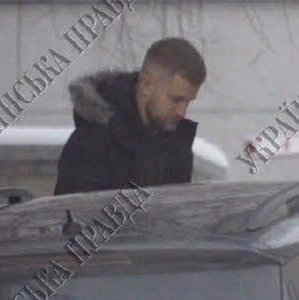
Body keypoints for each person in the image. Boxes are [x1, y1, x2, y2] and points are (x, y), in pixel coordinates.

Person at [54, 37, 206, 195]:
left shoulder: (176, 145)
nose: (182, 112)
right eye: (175, 99)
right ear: (146, 86)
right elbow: (75, 209)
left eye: (188, 101)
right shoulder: (91, 145)